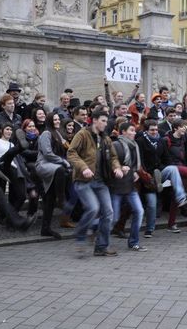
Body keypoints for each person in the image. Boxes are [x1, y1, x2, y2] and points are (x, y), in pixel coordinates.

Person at [67, 109, 123, 257]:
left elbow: (113, 157)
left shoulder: (105, 138)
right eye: (103, 121)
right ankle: (80, 235)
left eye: (106, 121)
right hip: (83, 180)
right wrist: (83, 167)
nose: (106, 124)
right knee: (93, 208)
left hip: (100, 181)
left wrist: (117, 168)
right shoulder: (82, 134)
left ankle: (101, 246)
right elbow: (71, 153)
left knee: (109, 213)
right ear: (95, 120)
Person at [111, 122, 147, 251]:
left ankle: (133, 242)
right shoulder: (115, 145)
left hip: (130, 186)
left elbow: (134, 165)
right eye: (131, 130)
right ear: (123, 132)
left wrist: (135, 172)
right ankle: (97, 235)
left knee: (139, 211)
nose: (135, 132)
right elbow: (109, 163)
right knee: (113, 218)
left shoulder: (134, 146)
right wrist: (120, 168)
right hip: (116, 187)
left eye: (135, 130)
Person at [36, 113, 71, 239]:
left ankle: (45, 229)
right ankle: (61, 199)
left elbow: (68, 147)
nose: (57, 121)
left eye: (58, 119)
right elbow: (48, 154)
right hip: (44, 164)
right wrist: (63, 161)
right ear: (50, 121)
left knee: (49, 199)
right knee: (62, 170)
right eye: (55, 119)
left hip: (54, 167)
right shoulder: (46, 134)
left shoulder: (58, 133)